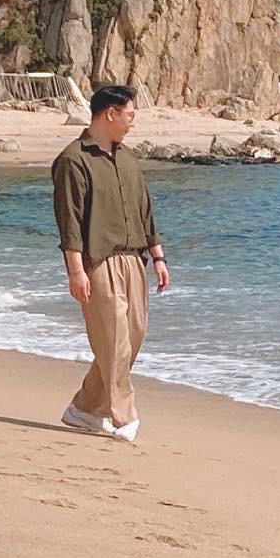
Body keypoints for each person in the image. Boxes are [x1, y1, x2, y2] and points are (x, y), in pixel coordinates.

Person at [51, 84, 169, 443]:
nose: (133, 122)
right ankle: (123, 416)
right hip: (97, 263)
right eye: (131, 114)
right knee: (113, 340)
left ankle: (86, 409)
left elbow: (145, 211)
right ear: (110, 114)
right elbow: (69, 222)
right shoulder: (73, 160)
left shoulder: (129, 159)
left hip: (135, 261)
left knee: (130, 339)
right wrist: (75, 270)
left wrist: (158, 256)